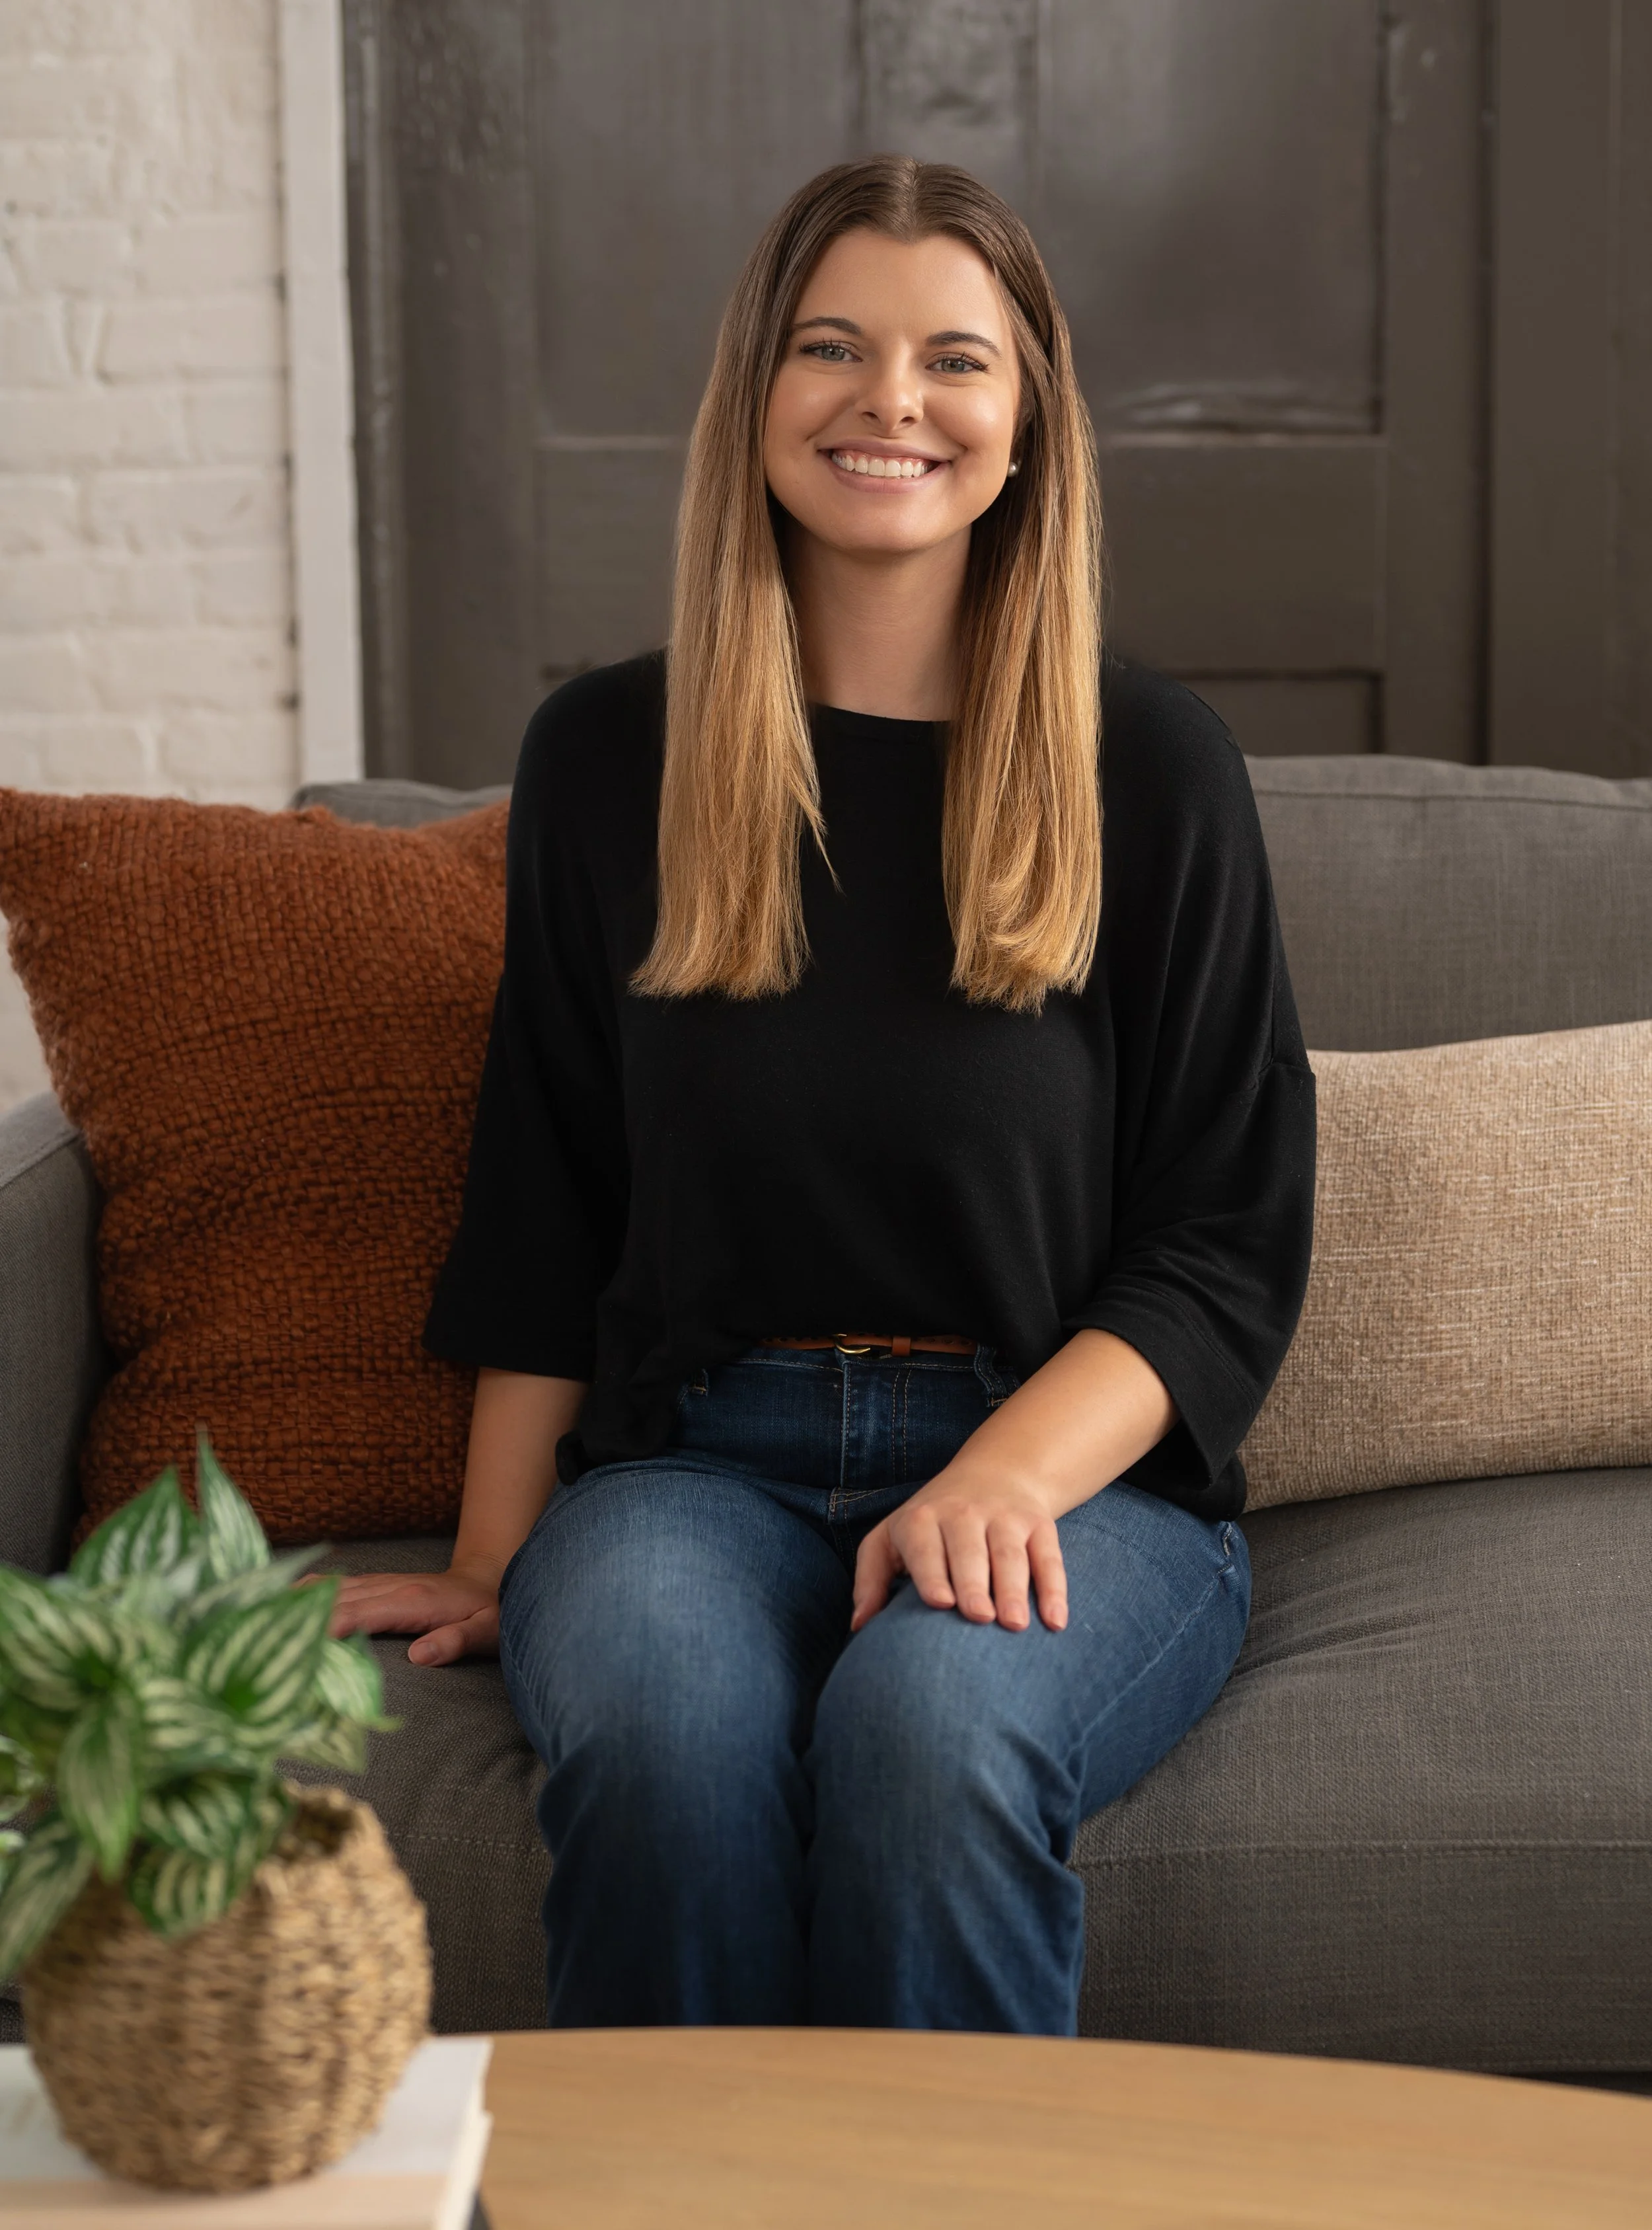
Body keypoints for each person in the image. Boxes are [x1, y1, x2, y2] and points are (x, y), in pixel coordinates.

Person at [335, 155, 1316, 2034]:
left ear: (1024, 423)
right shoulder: (610, 753)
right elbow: (548, 1190)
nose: (890, 399)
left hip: (1059, 1470)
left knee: (927, 1736)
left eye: (954, 357)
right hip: (691, 1462)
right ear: (753, 399)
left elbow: (1222, 1244)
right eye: (830, 348)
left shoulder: (1152, 765)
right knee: (656, 1728)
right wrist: (488, 1556)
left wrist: (999, 1474)